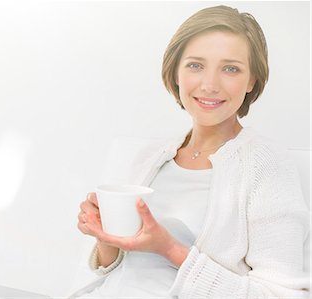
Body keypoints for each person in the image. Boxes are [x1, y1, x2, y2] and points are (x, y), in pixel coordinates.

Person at [76, 5, 309, 299]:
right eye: (196, 65)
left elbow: (283, 295)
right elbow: (122, 269)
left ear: (252, 80)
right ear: (175, 72)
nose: (209, 85)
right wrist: (105, 237)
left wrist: (169, 249)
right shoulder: (151, 157)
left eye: (230, 68)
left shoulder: (266, 165)